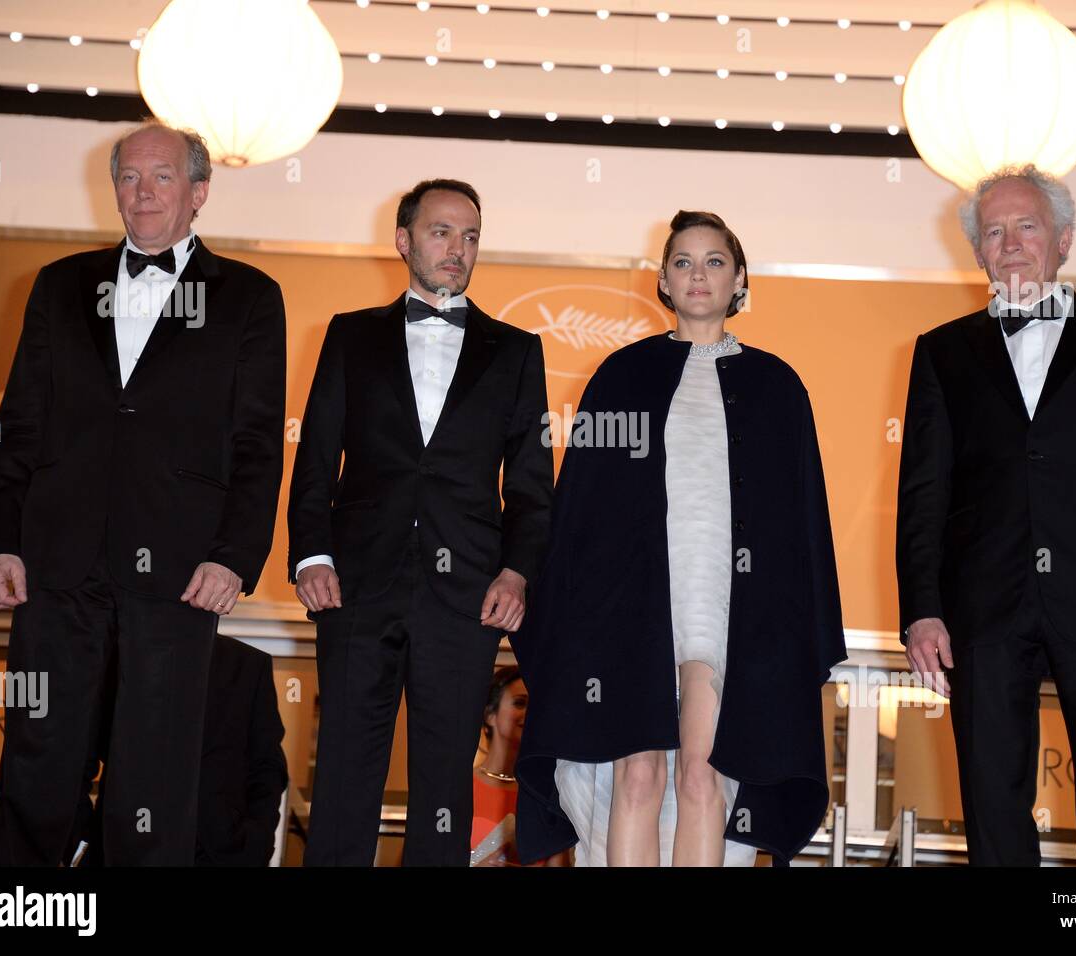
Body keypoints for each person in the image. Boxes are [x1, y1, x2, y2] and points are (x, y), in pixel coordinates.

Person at [0, 119, 287, 866]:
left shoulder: (249, 297)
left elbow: (256, 444)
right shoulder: (58, 286)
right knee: (37, 762)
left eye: (161, 177)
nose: (142, 193)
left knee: (154, 776)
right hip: (56, 564)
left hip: (180, 573)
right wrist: (0, 541)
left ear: (199, 192)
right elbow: (20, 425)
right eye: (128, 177)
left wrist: (234, 557)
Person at [511, 210, 846, 867]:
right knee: (637, 777)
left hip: (729, 610)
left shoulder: (778, 386)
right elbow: (580, 510)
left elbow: (801, 521)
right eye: (685, 262)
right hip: (631, 609)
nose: (699, 275)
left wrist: (798, 629)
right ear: (662, 279)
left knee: (704, 777)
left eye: (715, 261)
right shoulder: (620, 376)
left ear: (740, 277)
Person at [896, 164, 1076, 866]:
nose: (1011, 242)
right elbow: (923, 491)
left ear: (1064, 241)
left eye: (1028, 226)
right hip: (983, 608)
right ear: (977, 252)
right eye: (993, 231)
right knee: (992, 795)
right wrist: (922, 609)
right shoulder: (941, 352)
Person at [288, 179, 553, 866]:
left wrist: (519, 571)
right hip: (354, 588)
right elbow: (315, 458)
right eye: (441, 232)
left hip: (465, 595)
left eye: (470, 236)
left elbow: (530, 484)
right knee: (345, 774)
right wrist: (311, 555)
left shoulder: (517, 351)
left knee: (444, 788)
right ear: (403, 240)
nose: (457, 249)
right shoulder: (349, 336)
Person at [67, 634, 289, 867]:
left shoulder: (248, 664)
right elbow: (74, 763)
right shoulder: (113, 658)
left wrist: (257, 840)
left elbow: (268, 767)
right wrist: (81, 849)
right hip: (124, 850)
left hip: (223, 852)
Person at [470, 666, 568, 866]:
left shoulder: (546, 794)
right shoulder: (457, 788)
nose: (530, 713)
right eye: (520, 703)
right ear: (490, 714)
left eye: (536, 706)